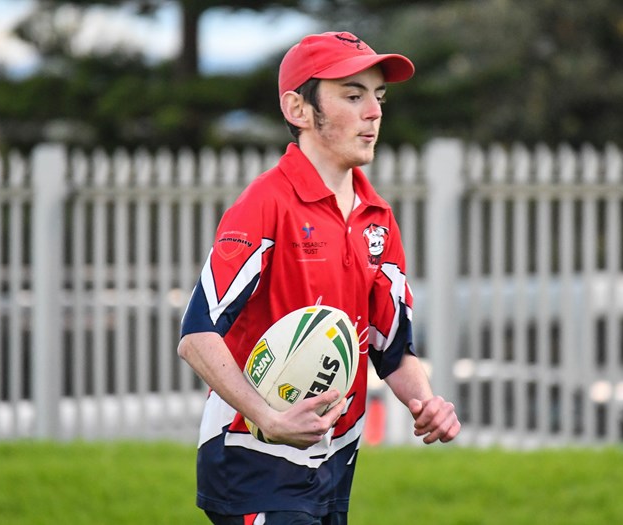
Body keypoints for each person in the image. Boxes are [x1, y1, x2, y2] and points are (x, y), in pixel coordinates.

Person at [177, 31, 461, 525]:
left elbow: (391, 350)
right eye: (353, 96)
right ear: (298, 109)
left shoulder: (379, 218)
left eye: (378, 97)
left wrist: (426, 402)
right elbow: (198, 336)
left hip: (335, 466)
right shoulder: (264, 204)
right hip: (253, 461)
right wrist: (269, 418)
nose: (373, 112)